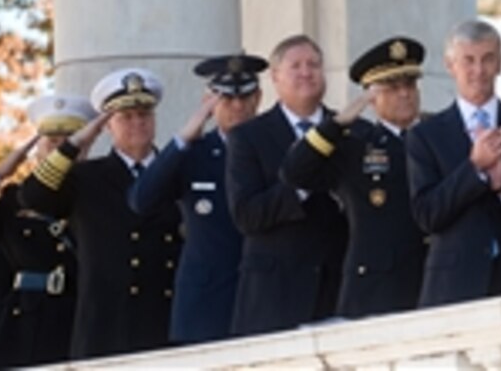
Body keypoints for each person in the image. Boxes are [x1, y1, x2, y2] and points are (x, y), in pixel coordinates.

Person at [20, 69, 182, 360]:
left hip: (167, 321)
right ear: (108, 125)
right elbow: (32, 196)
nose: (137, 123)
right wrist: (74, 144)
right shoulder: (86, 177)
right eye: (125, 117)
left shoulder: (178, 170)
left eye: (144, 115)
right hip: (106, 327)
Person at [406, 20, 501, 308]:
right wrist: (475, 171)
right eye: (468, 60)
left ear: (499, 64)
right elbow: (426, 215)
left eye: (487, 59)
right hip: (455, 286)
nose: (478, 70)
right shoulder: (425, 135)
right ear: (451, 65)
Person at [282, 36, 427, 318]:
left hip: (431, 277)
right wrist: (336, 124)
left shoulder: (435, 137)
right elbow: (294, 172)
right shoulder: (356, 144)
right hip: (377, 288)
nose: (405, 94)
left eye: (410, 85)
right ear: (372, 99)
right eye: (393, 88)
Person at [129, 53, 266, 343]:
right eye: (227, 99)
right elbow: (142, 200)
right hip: (207, 302)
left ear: (259, 98)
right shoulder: (194, 153)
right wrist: (183, 138)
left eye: (246, 97)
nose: (238, 107)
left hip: (265, 294)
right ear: (210, 103)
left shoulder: (276, 148)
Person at [224, 35, 346, 336]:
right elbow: (247, 214)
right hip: (274, 297)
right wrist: (299, 188)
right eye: (296, 66)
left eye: (314, 65)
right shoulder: (248, 137)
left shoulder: (351, 130)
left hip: (338, 287)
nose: (306, 72)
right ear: (275, 77)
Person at [0, 95, 94, 368]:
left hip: (84, 320)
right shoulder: (14, 200)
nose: (61, 149)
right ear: (38, 149)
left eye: (70, 140)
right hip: (26, 327)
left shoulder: (103, 194)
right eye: (52, 141)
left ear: (85, 145)